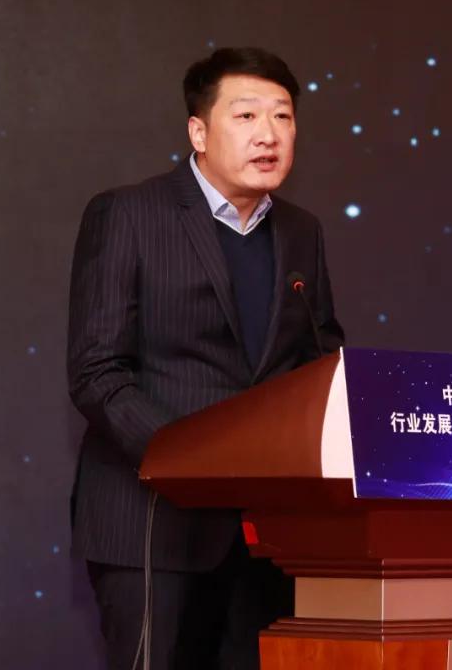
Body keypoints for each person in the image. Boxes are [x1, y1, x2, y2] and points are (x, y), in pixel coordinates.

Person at [66, 47, 345, 670]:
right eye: (246, 116)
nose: (269, 134)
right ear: (198, 132)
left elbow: (319, 358)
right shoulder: (129, 214)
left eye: (283, 116)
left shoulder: (302, 231)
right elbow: (96, 370)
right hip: (151, 523)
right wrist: (189, 458)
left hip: (265, 532)